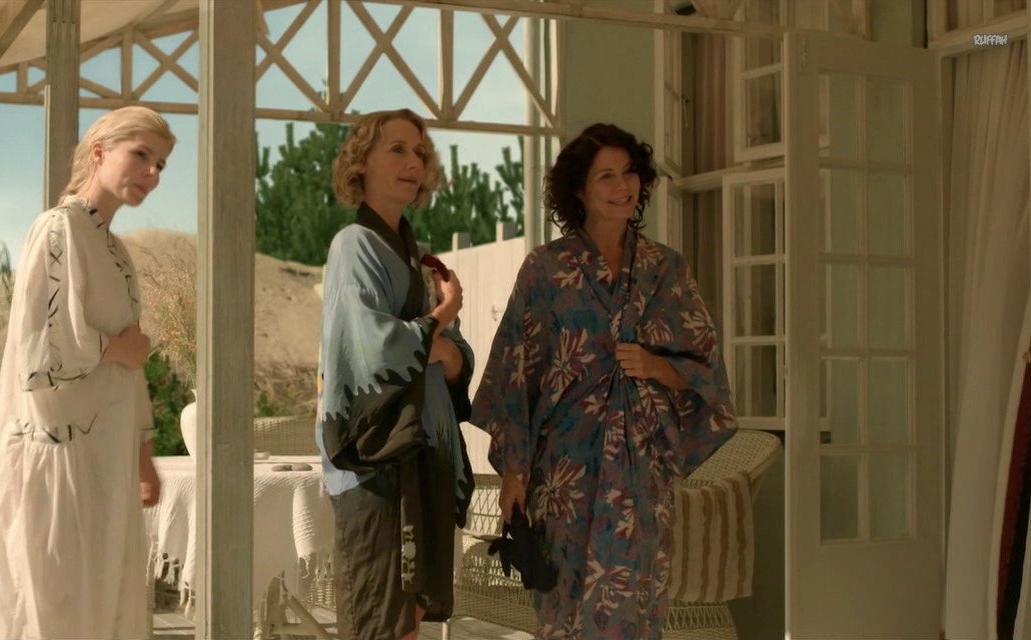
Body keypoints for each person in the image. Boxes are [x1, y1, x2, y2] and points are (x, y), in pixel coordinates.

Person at [470, 123, 738, 639]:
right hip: (564, 469)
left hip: (641, 473)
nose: (622, 186)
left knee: (634, 600)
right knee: (563, 603)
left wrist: (654, 365)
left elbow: (705, 369)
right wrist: (514, 475)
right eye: (606, 176)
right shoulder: (546, 270)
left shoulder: (666, 269)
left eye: (629, 173)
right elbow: (515, 374)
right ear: (579, 189)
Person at [0, 106, 174, 640]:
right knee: (53, 610)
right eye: (141, 155)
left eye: (161, 163)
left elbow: (131, 369)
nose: (152, 173)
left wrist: (143, 459)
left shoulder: (116, 250)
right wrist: (118, 348)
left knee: (101, 609)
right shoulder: (57, 229)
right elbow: (40, 354)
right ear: (100, 152)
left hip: (106, 460)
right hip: (58, 460)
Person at [315, 108, 475, 640]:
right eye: (398, 149)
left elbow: (453, 357)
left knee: (407, 623)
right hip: (375, 461)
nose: (414, 163)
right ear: (361, 162)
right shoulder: (352, 245)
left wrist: (441, 342)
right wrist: (442, 320)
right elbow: (368, 349)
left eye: (420, 153)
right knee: (378, 624)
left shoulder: (416, 255)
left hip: (419, 453)